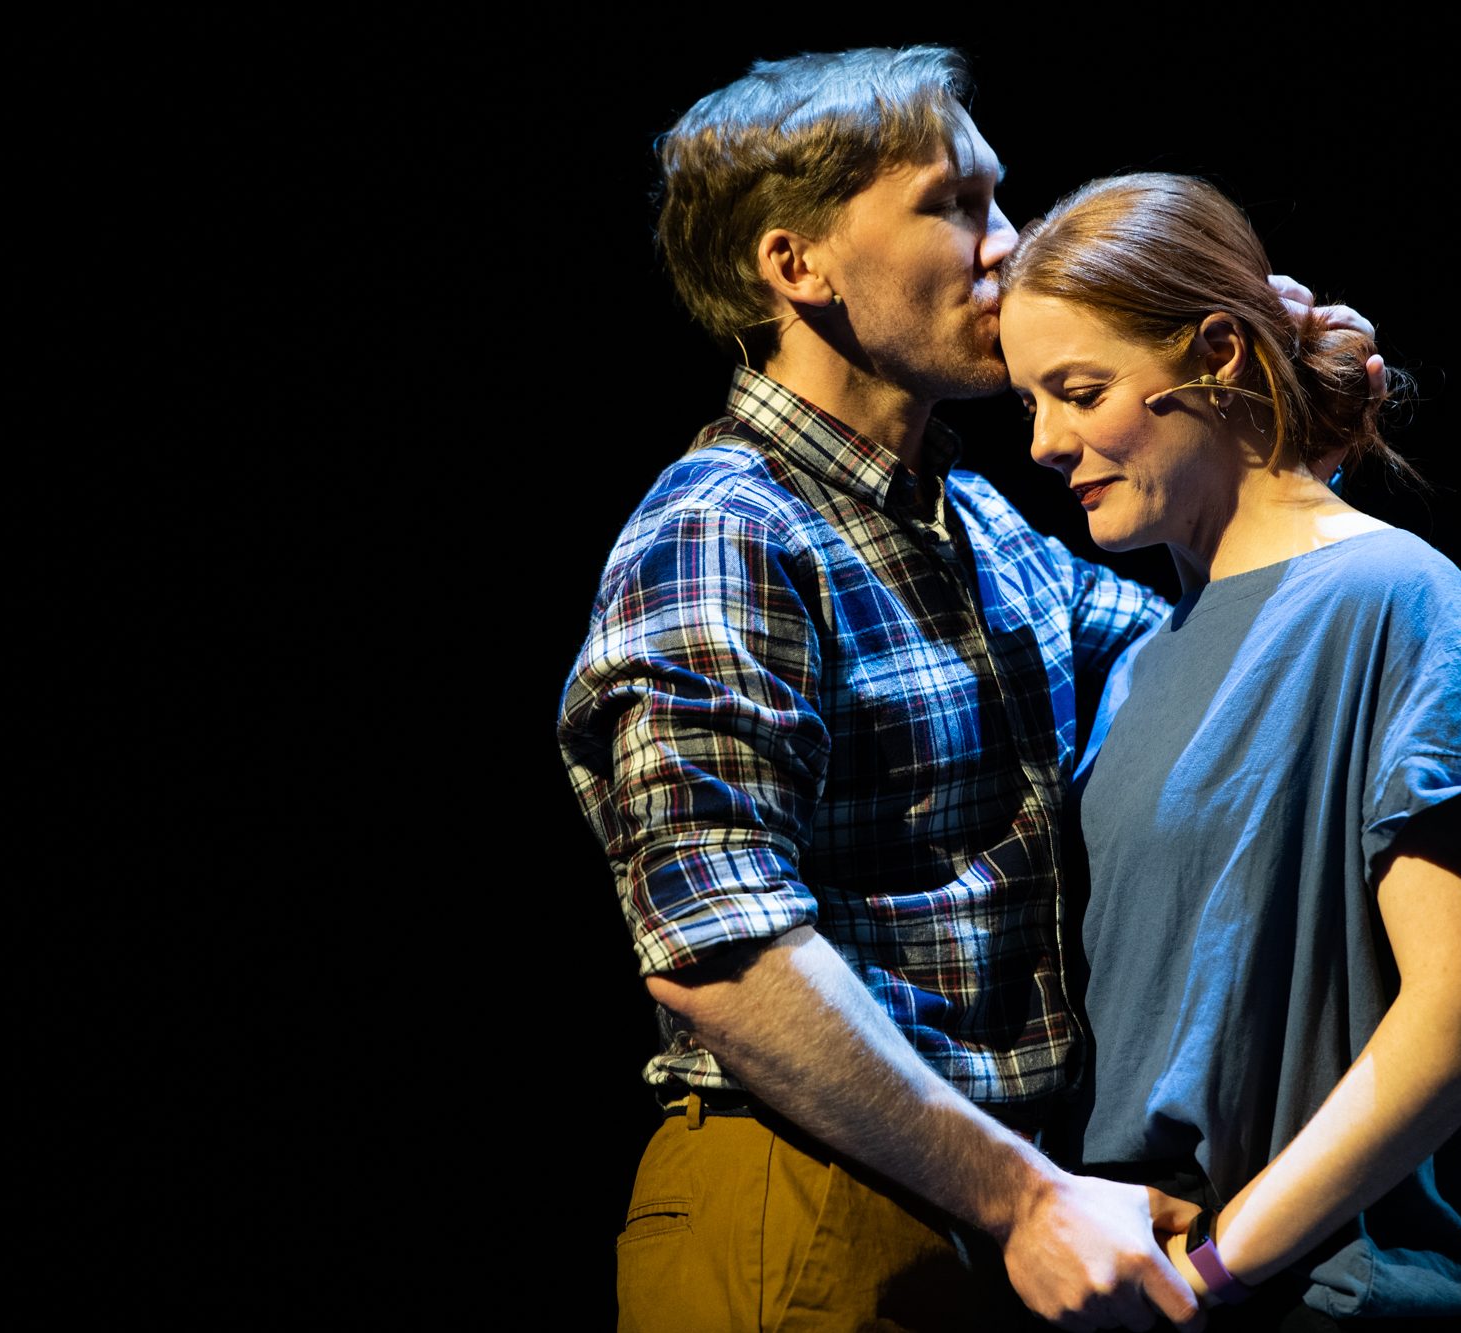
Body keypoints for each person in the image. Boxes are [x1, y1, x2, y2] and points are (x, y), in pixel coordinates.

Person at [559, 47, 1379, 1331]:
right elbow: (717, 945)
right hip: (810, 1198)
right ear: (797, 266)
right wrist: (1022, 1197)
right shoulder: (726, 528)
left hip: (975, 1196)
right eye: (954, 205)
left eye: (1000, 200)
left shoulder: (969, 518)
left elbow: (1202, 663)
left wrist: (1263, 431)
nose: (1009, 245)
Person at [998, 172, 1461, 1329]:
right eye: (1028, 404)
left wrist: (1217, 1265)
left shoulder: (1394, 600)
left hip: (1327, 1294)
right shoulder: (1141, 658)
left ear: (1217, 354)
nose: (1046, 444)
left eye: (1080, 391)